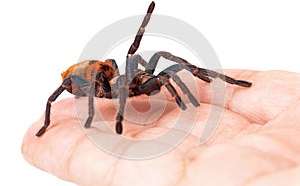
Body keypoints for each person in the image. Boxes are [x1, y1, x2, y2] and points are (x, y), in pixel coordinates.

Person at [22, 70, 300, 185]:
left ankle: (233, 83)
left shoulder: (138, 80)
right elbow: (58, 91)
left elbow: (167, 73)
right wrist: (117, 118)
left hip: (112, 78)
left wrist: (181, 100)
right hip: (89, 79)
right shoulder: (101, 86)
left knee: (175, 66)